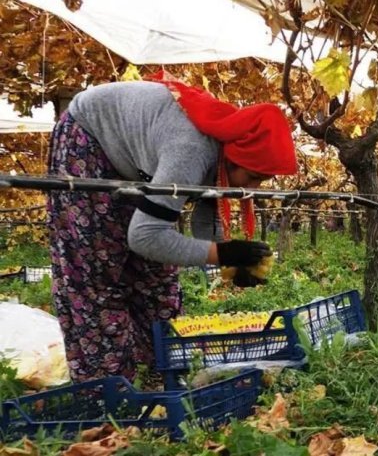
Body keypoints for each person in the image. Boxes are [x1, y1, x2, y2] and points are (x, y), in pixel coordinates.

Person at [46, 73, 297, 384]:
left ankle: (160, 375)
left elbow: (207, 208)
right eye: (253, 176)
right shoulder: (190, 151)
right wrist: (221, 253)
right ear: (233, 158)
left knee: (157, 278)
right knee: (97, 272)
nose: (255, 187)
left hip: (133, 158)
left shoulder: (220, 146)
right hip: (88, 139)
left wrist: (230, 260)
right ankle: (109, 397)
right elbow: (145, 236)